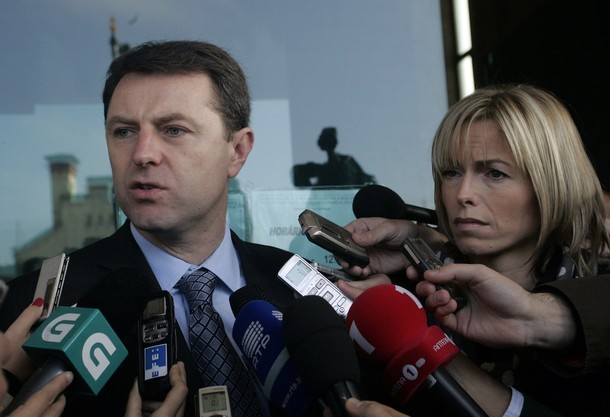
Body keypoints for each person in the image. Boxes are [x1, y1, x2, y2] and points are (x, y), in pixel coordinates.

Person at [0, 41, 298, 417]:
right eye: (124, 132)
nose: (142, 154)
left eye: (173, 130)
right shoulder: (36, 311)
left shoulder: (304, 290)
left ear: (237, 151)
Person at [338, 84, 610, 416]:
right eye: (451, 173)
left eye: (495, 173)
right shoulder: (404, 298)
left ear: (552, 185)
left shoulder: (596, 302)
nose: (463, 193)